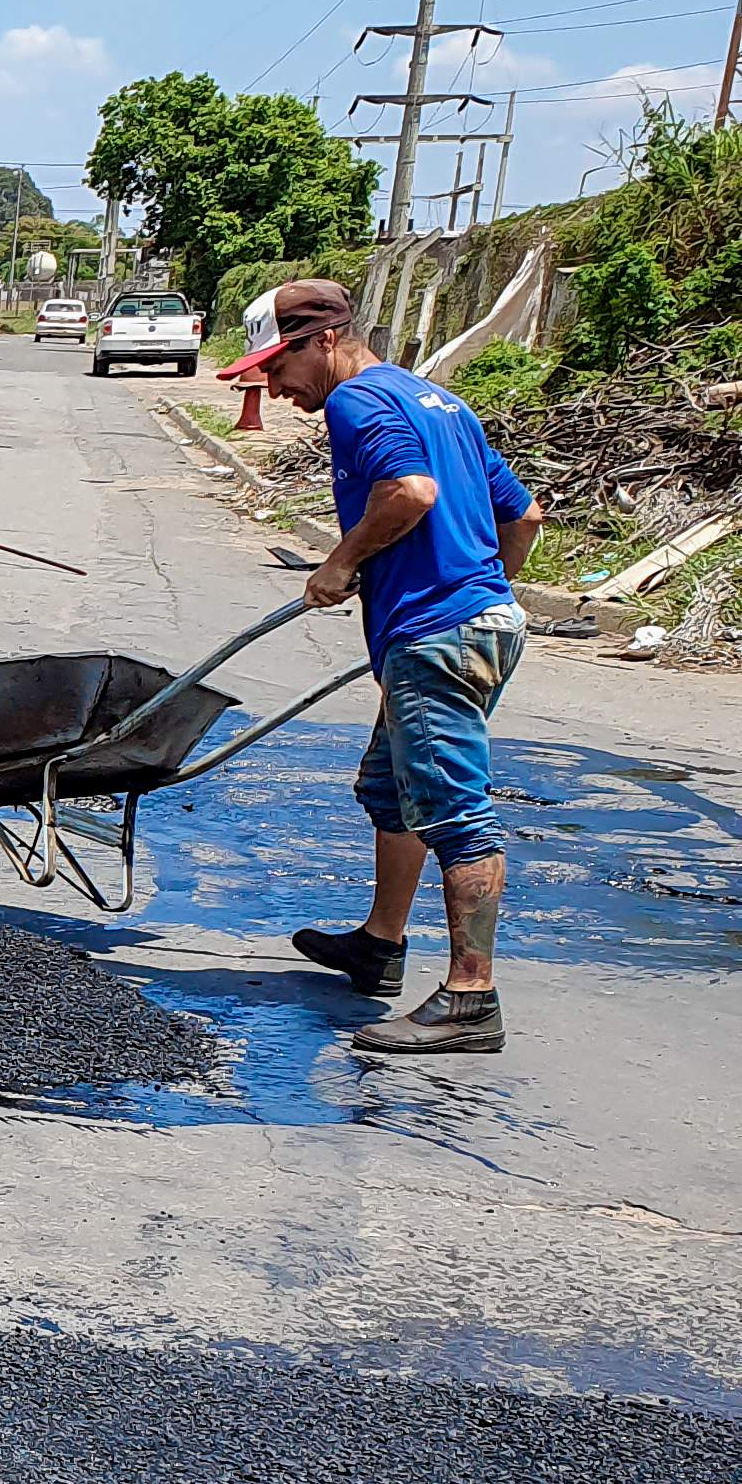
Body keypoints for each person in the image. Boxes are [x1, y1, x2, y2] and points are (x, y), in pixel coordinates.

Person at [222, 277, 542, 1056]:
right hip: (471, 624)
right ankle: (380, 944)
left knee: (456, 814)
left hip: (439, 637)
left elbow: (410, 491)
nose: (275, 386)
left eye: (278, 365)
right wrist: (478, 585)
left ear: (324, 339)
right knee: (390, 789)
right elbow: (523, 514)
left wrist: (343, 563)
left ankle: (471, 999)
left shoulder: (356, 403)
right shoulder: (436, 401)